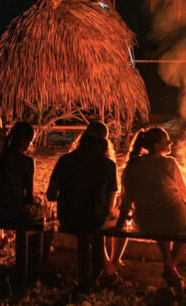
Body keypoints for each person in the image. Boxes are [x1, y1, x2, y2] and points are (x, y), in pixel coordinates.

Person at [113, 127, 186, 289]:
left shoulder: (131, 167)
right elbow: (183, 192)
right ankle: (170, 266)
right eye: (166, 141)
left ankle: (169, 266)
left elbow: (126, 201)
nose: (170, 143)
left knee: (160, 221)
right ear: (157, 146)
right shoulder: (169, 163)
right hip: (174, 219)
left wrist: (120, 222)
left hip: (146, 221)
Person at [46, 121, 118, 290]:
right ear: (104, 143)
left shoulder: (65, 160)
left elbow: (50, 195)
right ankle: (98, 276)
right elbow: (109, 204)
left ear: (83, 138)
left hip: (67, 217)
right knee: (108, 221)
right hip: (94, 218)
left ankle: (88, 280)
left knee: (87, 227)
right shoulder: (108, 165)